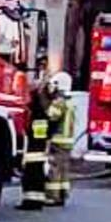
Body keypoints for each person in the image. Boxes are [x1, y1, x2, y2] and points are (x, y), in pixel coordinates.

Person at [44, 72, 75, 205]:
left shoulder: (59, 102)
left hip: (58, 140)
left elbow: (51, 117)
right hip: (68, 141)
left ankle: (53, 196)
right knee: (64, 168)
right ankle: (63, 194)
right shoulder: (69, 102)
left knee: (54, 168)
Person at [18, 84, 50, 210]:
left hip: (34, 154)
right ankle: (35, 200)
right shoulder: (41, 113)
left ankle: (31, 202)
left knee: (31, 177)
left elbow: (37, 137)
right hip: (36, 154)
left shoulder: (38, 116)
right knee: (35, 176)